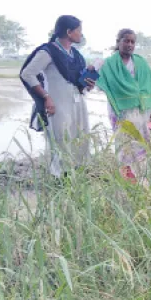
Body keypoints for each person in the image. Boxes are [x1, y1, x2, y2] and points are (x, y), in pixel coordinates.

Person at [20, 15, 94, 178]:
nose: (81, 34)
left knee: (79, 137)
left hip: (77, 103)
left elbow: (78, 81)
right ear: (69, 32)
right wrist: (46, 97)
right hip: (58, 105)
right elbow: (28, 73)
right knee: (60, 139)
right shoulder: (49, 51)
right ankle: (59, 178)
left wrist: (88, 83)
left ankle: (76, 174)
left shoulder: (76, 55)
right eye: (78, 31)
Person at [96, 29, 151, 182]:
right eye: (126, 41)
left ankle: (142, 180)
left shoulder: (141, 63)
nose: (129, 44)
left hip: (141, 112)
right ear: (118, 42)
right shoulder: (109, 64)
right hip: (121, 113)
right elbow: (98, 82)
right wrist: (92, 69)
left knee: (141, 143)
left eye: (132, 42)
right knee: (124, 145)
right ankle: (127, 180)